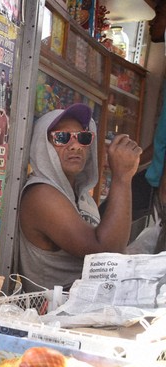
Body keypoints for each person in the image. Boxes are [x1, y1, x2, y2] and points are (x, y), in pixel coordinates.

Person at [17, 103, 142, 292]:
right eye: (62, 138)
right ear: (43, 147)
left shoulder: (81, 196)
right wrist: (122, 177)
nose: (75, 146)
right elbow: (106, 254)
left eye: (82, 138)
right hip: (52, 314)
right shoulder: (41, 193)